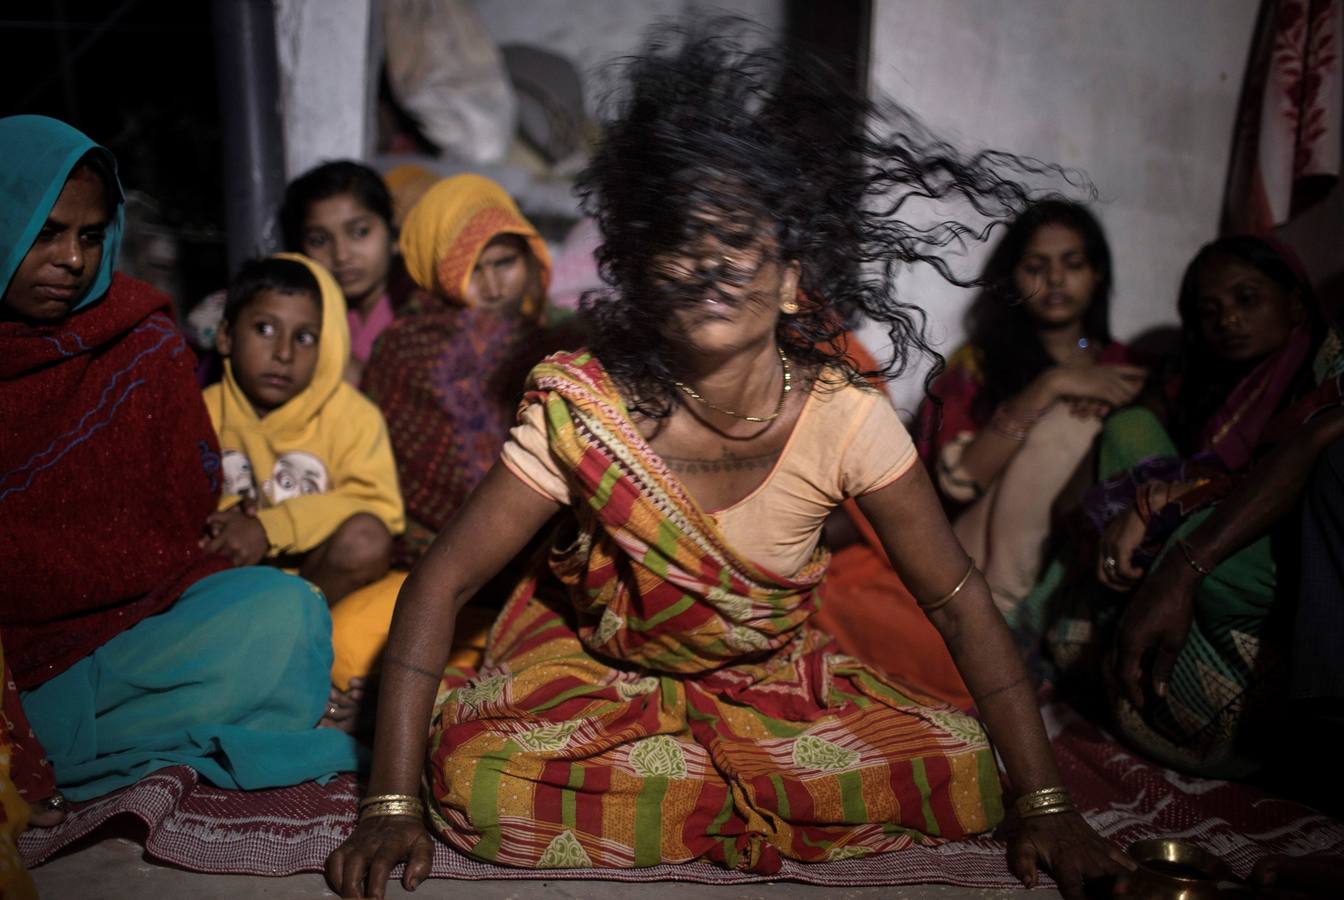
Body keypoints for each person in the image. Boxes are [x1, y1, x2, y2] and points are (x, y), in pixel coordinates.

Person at [325, 27, 1131, 900]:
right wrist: (390, 806)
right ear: (643, 278)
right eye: (680, 242)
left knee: (969, 765)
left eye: (737, 240)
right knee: (475, 774)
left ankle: (698, 793)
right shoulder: (584, 407)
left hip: (773, 686)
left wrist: (1048, 802)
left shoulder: (844, 414)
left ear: (790, 280)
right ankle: (739, 796)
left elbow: (962, 601)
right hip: (601, 675)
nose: (709, 264)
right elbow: (439, 581)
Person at [0, 114, 359, 810]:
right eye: (45, 232)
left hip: (142, 623)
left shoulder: (137, 338)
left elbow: (178, 519)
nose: (72, 259)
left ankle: (45, 741)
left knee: (286, 609)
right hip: (15, 650)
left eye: (90, 235)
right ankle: (55, 733)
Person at [1056, 236, 1336, 778]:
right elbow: (1120, 455)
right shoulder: (1197, 382)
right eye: (1211, 311)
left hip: (1267, 544)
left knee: (1196, 533)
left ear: (1296, 302)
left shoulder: (1322, 376)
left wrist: (1172, 504)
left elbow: (1289, 482)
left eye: (1247, 299)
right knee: (1127, 427)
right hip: (1178, 535)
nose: (1229, 319)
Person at [915, 200, 1146, 621]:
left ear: (1097, 273)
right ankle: (1000, 622)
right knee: (1062, 426)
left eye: (1072, 263)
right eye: (1036, 266)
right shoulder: (977, 364)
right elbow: (958, 484)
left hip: (1085, 546)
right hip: (978, 560)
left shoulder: (1123, 365)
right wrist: (1049, 387)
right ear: (1013, 279)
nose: (1055, 278)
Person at [360, 172, 574, 566]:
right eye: (473, 269)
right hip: (443, 554)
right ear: (437, 271)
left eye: (505, 262)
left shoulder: (567, 336)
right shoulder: (405, 351)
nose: (493, 286)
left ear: (531, 256)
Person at [277, 160, 417, 384]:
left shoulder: (419, 311)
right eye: (319, 240)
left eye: (360, 232)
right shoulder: (306, 313)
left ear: (393, 236)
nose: (341, 255)